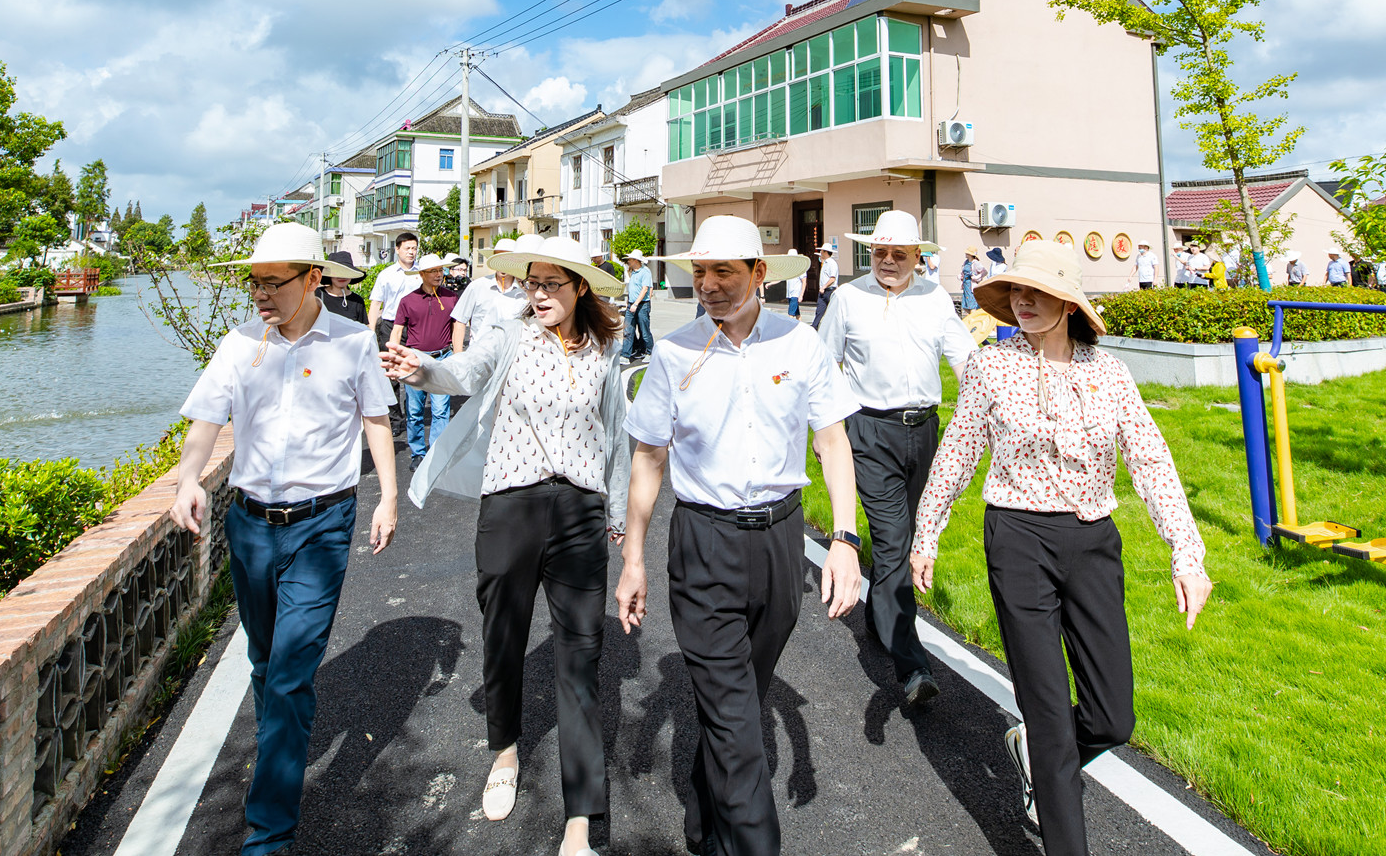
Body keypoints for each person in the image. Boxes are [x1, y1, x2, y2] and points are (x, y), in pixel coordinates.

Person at [911, 240, 1210, 855]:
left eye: (1038, 291)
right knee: (1049, 719)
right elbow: (959, 450)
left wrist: (1186, 551)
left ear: (1069, 303)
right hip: (1017, 538)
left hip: (1093, 540)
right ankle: (1052, 787)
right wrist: (928, 533)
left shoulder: (1108, 373)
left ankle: (1036, 755)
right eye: (1016, 290)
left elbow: (1150, 457)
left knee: (1111, 718)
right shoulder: (992, 368)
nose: (1023, 301)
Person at [619, 215, 864, 856]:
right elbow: (648, 460)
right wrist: (633, 559)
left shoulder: (799, 343)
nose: (709, 285)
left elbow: (833, 444)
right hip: (703, 542)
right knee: (736, 721)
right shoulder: (673, 354)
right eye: (700, 272)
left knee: (742, 701)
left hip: (781, 543)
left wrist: (844, 539)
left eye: (724, 271)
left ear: (759, 273)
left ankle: (704, 815)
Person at [384, 237, 628, 856]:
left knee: (580, 657)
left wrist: (618, 516)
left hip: (579, 510)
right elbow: (463, 372)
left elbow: (616, 435)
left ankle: (580, 819)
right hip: (511, 506)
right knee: (504, 637)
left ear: (579, 288)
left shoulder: (605, 347)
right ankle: (505, 752)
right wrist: (422, 368)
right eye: (531, 283)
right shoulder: (508, 333)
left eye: (552, 284)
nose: (538, 294)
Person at [166, 223, 398, 856]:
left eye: (274, 283)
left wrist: (390, 499)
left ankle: (269, 834)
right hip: (249, 524)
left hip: (322, 523)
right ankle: (282, 739)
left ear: (312, 280)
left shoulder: (353, 343)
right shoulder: (239, 344)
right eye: (255, 283)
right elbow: (206, 421)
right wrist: (189, 480)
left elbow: (375, 417)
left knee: (291, 673)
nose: (261, 295)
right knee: (266, 663)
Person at [817, 210, 975, 706]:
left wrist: (997, 407)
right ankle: (913, 667)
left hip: (924, 431)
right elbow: (825, 365)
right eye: (879, 253)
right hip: (870, 432)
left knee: (907, 538)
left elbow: (966, 359)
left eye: (898, 254)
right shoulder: (847, 298)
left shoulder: (934, 300)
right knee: (891, 544)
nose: (887, 261)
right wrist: (836, 429)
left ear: (918, 257)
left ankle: (878, 619)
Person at [390, 254, 457, 470]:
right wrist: (394, 358)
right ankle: (417, 453)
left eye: (441, 270)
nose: (439, 275)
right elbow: (397, 330)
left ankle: (436, 453)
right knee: (415, 411)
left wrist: (458, 355)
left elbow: (458, 328)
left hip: (443, 358)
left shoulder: (451, 298)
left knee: (440, 410)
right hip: (415, 359)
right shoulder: (407, 301)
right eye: (433, 271)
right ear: (422, 274)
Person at [369, 231, 422, 435]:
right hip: (391, 326)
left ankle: (412, 415)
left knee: (413, 371)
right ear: (397, 249)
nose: (411, 252)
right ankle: (394, 417)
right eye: (407, 248)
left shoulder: (421, 273)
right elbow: (376, 303)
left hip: (414, 327)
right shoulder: (387, 274)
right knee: (390, 373)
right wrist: (371, 330)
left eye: (414, 248)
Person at [453, 236, 532, 350]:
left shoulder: (524, 293)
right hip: (478, 356)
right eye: (499, 257)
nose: (503, 263)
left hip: (510, 358)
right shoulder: (477, 286)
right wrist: (458, 356)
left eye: (507, 258)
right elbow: (460, 320)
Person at [620, 248, 655, 363]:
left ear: (636, 260)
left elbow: (645, 289)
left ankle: (650, 352)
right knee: (628, 329)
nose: (628, 261)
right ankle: (625, 355)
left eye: (630, 259)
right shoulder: (633, 272)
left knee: (644, 331)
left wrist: (636, 303)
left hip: (641, 305)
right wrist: (629, 303)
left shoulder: (645, 272)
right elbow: (633, 289)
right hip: (632, 304)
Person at [318, 250, 367, 324]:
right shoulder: (317, 295)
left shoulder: (357, 301)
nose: (342, 276)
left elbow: (361, 330)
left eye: (346, 272)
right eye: (338, 272)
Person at [812, 242, 840, 329]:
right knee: (820, 310)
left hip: (829, 290)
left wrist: (824, 287)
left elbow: (832, 278)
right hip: (824, 290)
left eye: (822, 251)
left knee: (832, 311)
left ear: (825, 252)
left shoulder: (832, 263)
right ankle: (814, 326)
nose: (820, 253)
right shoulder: (825, 263)